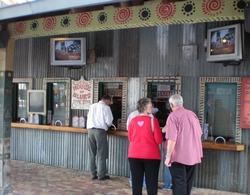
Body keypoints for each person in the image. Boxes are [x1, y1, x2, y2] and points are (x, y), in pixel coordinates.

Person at [164, 94, 203, 195]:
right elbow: (199, 134)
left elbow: (172, 139)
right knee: (188, 182)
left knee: (178, 183)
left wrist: (168, 156)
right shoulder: (192, 114)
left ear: (171, 105)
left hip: (178, 155)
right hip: (193, 154)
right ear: (182, 103)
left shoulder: (172, 117)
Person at [128, 97, 162, 195]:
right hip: (151, 155)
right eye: (151, 106)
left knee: (136, 182)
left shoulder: (133, 120)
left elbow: (130, 138)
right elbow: (158, 140)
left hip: (134, 154)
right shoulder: (153, 121)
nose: (152, 108)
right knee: (151, 183)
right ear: (145, 108)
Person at [87, 95, 114, 180]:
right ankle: (101, 175)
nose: (109, 104)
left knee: (92, 153)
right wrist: (109, 125)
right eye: (109, 102)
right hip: (100, 131)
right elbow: (109, 121)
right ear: (107, 101)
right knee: (101, 154)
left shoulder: (92, 106)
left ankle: (92, 174)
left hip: (90, 131)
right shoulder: (106, 107)